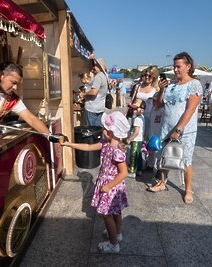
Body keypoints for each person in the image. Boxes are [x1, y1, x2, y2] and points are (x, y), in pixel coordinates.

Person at [61, 111, 130, 254]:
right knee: (116, 211)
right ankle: (117, 234)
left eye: (105, 128)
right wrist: (68, 144)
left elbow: (124, 173)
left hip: (111, 186)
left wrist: (108, 186)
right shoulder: (105, 144)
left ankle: (113, 245)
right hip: (110, 185)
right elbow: (87, 147)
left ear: (111, 132)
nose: (102, 130)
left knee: (106, 215)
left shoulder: (117, 152)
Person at [148, 52, 202, 205]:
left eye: (178, 66)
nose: (176, 69)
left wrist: (178, 129)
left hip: (185, 130)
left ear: (188, 66)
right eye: (174, 66)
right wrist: (161, 90)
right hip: (166, 127)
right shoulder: (171, 85)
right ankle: (162, 182)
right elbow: (159, 105)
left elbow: (190, 109)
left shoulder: (194, 84)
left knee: (186, 159)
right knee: (164, 156)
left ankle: (188, 189)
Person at [129, 66, 159, 139]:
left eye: (149, 76)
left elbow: (158, 105)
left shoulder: (156, 89)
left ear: (154, 77)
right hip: (136, 116)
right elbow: (132, 100)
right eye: (145, 75)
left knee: (146, 139)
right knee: (136, 138)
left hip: (149, 117)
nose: (147, 77)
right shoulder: (138, 86)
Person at [79, 56, 108, 127]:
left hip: (92, 109)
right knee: (97, 130)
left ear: (99, 67)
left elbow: (94, 92)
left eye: (96, 65)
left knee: (90, 130)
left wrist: (83, 94)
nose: (94, 67)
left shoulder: (98, 77)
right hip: (99, 108)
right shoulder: (104, 76)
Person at [126, 99, 146, 177]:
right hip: (140, 139)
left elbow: (136, 132)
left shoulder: (137, 119)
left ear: (141, 109)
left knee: (133, 155)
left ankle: (132, 171)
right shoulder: (141, 117)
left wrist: (129, 139)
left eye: (134, 108)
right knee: (139, 155)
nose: (132, 110)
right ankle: (139, 170)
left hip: (135, 140)